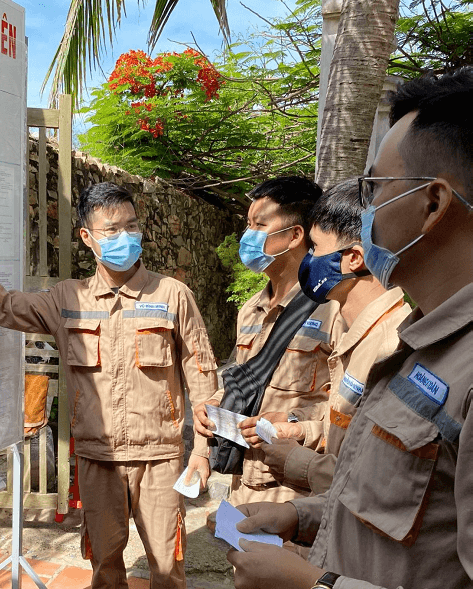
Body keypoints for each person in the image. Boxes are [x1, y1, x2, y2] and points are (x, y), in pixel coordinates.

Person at [228, 67, 473, 589]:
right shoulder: (421, 339)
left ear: (433, 203)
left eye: (377, 187)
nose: (367, 209)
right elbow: (393, 519)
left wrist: (314, 585)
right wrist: (303, 518)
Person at [0, 180, 218, 589]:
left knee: (167, 568)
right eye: (112, 230)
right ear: (87, 237)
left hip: (159, 457)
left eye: (131, 226)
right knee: (104, 565)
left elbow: (202, 376)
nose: (126, 237)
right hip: (97, 458)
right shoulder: (66, 298)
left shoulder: (172, 295)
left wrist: (203, 453)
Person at [246, 179, 410, 495]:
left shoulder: (392, 348)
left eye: (317, 248)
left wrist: (298, 464)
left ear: (354, 258)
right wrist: (300, 430)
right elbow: (347, 431)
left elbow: (381, 480)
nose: (309, 259)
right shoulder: (359, 337)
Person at [194, 177, 345, 510]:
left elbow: (350, 413)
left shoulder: (334, 309)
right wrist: (214, 407)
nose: (248, 236)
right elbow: (247, 379)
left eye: (259, 225)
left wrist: (296, 426)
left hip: (297, 496)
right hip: (242, 486)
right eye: (248, 224)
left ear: (294, 235)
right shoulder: (250, 309)